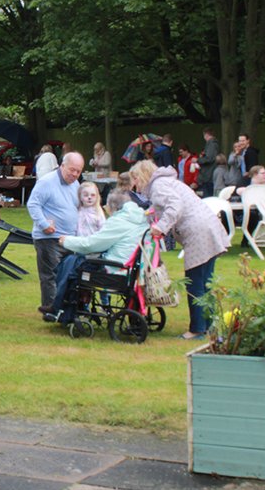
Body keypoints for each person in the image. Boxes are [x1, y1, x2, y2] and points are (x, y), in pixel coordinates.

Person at [129, 160, 229, 340]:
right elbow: (166, 204)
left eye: (135, 178)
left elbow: (175, 206)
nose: (134, 184)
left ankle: (197, 330)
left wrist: (161, 226)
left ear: (141, 176)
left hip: (197, 232)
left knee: (195, 282)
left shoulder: (158, 186)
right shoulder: (165, 182)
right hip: (208, 228)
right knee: (205, 282)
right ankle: (209, 325)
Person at [49, 191, 148, 320]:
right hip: (134, 271)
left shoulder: (120, 221)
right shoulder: (141, 219)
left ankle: (61, 308)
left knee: (71, 262)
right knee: (74, 262)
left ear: (112, 207)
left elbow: (91, 245)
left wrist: (67, 241)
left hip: (116, 272)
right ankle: (60, 306)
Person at [27, 151, 84, 315]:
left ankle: (63, 308)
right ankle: (51, 310)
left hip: (69, 238)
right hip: (48, 238)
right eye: (72, 170)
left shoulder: (75, 184)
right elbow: (33, 204)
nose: (74, 174)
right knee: (50, 276)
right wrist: (44, 224)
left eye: (78, 171)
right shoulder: (47, 182)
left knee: (67, 275)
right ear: (62, 166)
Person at [197, 129, 219, 197]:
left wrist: (198, 160)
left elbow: (209, 158)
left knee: (208, 196)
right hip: (208, 174)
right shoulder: (213, 144)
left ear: (206, 135)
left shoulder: (211, 144)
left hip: (208, 174)